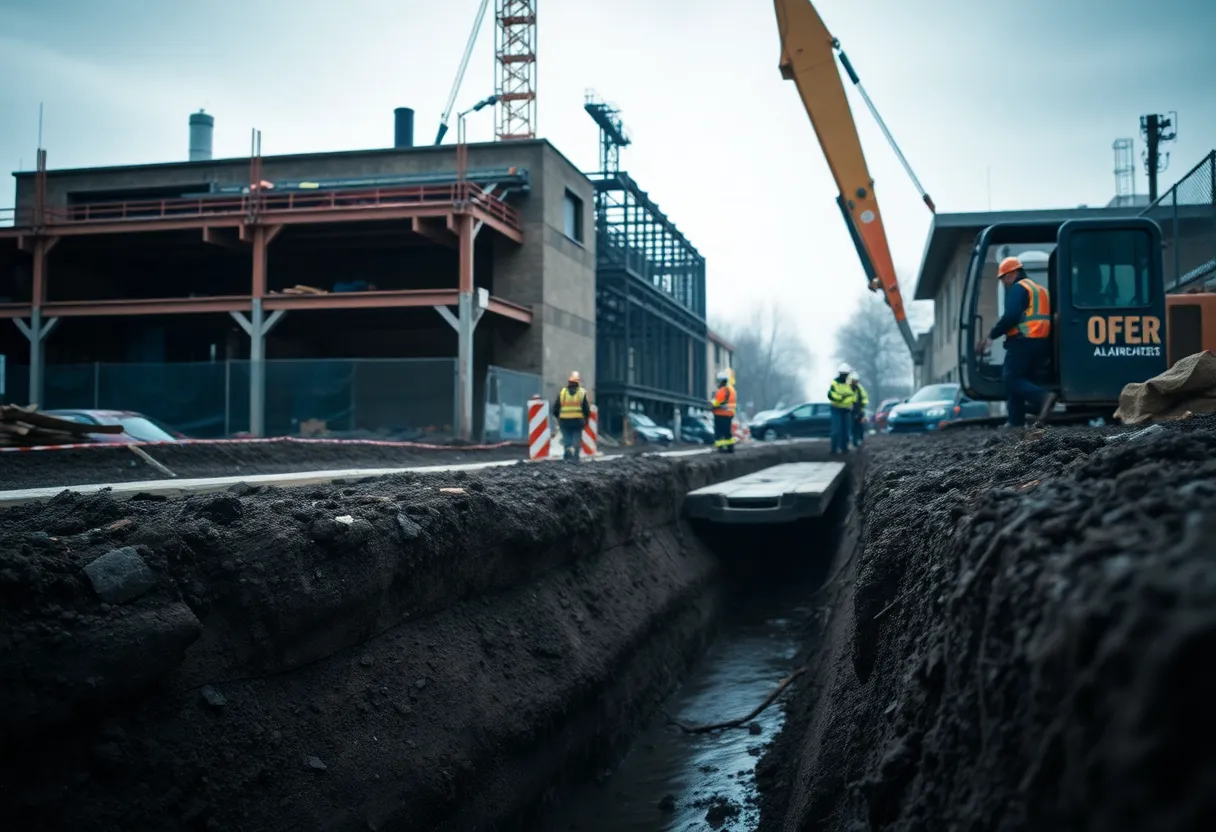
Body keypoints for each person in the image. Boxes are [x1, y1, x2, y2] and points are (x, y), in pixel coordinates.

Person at [976, 256, 1057, 428]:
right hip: (1041, 343)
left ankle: (1043, 397)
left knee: (1010, 378)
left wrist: (991, 336)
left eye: (1004, 277)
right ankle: (1015, 421)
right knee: (1021, 378)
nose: (1004, 282)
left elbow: (1011, 316)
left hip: (1023, 340)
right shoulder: (1041, 290)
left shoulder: (1019, 288)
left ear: (1013, 273)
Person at [554, 371, 591, 462]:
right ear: (577, 382)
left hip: (564, 420)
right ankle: (575, 457)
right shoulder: (581, 392)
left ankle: (567, 454)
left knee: (566, 437)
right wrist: (586, 419)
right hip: (577, 420)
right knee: (576, 437)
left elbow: (556, 407)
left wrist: (558, 417)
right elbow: (586, 408)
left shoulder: (563, 392)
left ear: (569, 382)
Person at [827, 363, 856, 454]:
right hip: (836, 409)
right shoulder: (835, 382)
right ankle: (834, 449)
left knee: (845, 431)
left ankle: (844, 448)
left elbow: (852, 395)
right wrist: (842, 398)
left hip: (846, 410)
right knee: (836, 431)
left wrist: (850, 404)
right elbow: (832, 395)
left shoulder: (849, 383)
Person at [710, 369, 737, 453]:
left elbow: (717, 402)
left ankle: (721, 448)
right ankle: (730, 447)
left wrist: (710, 403)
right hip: (729, 414)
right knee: (727, 433)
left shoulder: (722, 390)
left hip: (720, 414)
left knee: (719, 433)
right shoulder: (732, 390)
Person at [848, 372, 868, 448]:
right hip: (850, 411)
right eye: (853, 380)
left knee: (860, 426)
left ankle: (860, 439)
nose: (855, 382)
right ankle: (854, 441)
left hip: (859, 410)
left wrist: (862, 407)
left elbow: (864, 398)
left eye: (856, 380)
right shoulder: (848, 388)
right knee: (853, 427)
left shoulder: (860, 389)